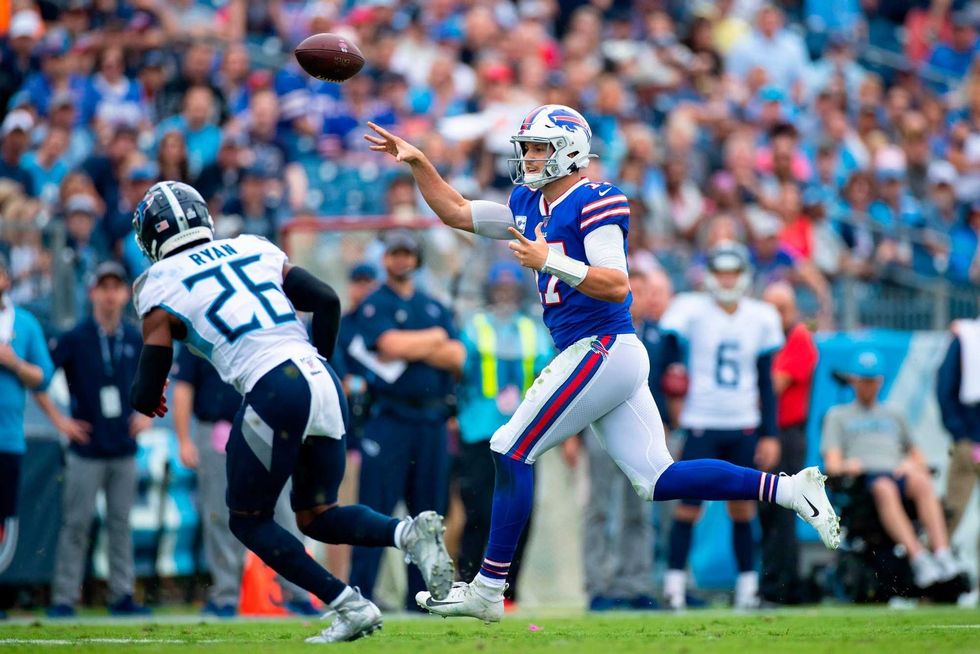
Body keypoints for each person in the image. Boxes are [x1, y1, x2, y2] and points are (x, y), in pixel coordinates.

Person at [363, 104, 839, 624]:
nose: (529, 157)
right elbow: (456, 211)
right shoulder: (527, 202)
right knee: (658, 478)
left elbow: (616, 284)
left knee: (510, 447)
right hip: (601, 353)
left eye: (539, 147)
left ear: (568, 151)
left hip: (602, 345)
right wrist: (419, 162)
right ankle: (790, 488)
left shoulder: (595, 199)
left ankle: (489, 588)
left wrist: (549, 259)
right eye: (527, 147)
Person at [128, 181, 453, 643]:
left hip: (273, 384)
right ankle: (406, 533)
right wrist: (316, 363)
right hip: (321, 378)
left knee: (248, 517)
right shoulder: (250, 247)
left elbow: (145, 393)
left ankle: (349, 604)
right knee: (317, 514)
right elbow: (328, 300)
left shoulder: (158, 283)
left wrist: (149, 395)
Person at [660, 241, 785, 610]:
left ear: (744, 276)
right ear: (709, 276)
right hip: (700, 422)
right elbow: (665, 360)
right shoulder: (691, 310)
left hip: (743, 422)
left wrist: (770, 433)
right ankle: (673, 588)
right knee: (687, 507)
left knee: (743, 509)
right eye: (721, 272)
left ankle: (748, 589)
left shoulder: (761, 316)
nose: (727, 280)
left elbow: (765, 380)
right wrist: (668, 413)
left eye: (733, 272)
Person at [347, 230, 465, 611]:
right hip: (390, 418)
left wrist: (413, 345)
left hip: (431, 421)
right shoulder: (374, 303)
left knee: (428, 517)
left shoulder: (432, 305)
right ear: (385, 259)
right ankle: (360, 597)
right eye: (395, 253)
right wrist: (434, 339)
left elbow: (457, 356)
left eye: (407, 254)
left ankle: (422, 600)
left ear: (416, 259)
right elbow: (388, 345)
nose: (401, 260)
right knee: (375, 512)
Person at [37, 262, 152, 617]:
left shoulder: (134, 337)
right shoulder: (76, 337)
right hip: (85, 447)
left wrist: (148, 413)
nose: (110, 295)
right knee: (76, 524)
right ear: (92, 293)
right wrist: (60, 421)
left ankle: (122, 594)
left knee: (120, 524)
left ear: (125, 294)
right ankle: (64, 597)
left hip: (123, 446)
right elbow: (41, 377)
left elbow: (159, 371)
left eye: (116, 287)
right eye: (104, 287)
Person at [171, 348, 319, 617]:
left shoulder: (268, 332)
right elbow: (184, 387)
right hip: (219, 429)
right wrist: (183, 439)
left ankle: (297, 591)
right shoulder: (203, 334)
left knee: (283, 514)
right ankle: (226, 594)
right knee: (219, 514)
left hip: (267, 427)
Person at [454, 261, 551, 606]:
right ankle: (468, 582)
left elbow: (547, 374)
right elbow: (460, 372)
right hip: (479, 431)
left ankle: (509, 591)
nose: (505, 295)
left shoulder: (533, 330)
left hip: (523, 434)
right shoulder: (475, 326)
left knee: (520, 513)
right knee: (478, 511)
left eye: (511, 289)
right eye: (500, 288)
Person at [822, 350, 960, 590]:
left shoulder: (894, 414)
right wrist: (847, 466)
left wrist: (911, 464)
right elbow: (832, 464)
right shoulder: (838, 416)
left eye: (873, 381)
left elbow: (917, 455)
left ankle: (942, 553)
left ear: (880, 381)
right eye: (864, 380)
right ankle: (918, 558)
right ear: (854, 381)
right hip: (865, 480)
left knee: (921, 482)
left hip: (897, 472)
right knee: (884, 488)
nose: (868, 386)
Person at [582, 268, 672, 611]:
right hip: (600, 425)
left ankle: (635, 583)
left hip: (643, 432)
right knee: (599, 508)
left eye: (645, 292)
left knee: (640, 508)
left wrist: (667, 425)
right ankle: (598, 585)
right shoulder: (596, 331)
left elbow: (668, 389)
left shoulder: (662, 337)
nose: (639, 299)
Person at [0, 253, 53, 619]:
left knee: (2, 520)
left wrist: (13, 362)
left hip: (7, 438)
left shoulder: (25, 323)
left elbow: (43, 377)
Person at [759, 281, 818, 604]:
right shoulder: (771, 339)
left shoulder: (797, 338)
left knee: (780, 510)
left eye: (781, 308)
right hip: (769, 431)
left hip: (785, 433)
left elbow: (774, 386)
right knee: (768, 511)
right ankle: (777, 582)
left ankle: (780, 585)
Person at [937, 317, 980, 604]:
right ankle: (932, 582)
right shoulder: (965, 337)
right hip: (968, 442)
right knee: (952, 511)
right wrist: (961, 434)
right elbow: (945, 387)